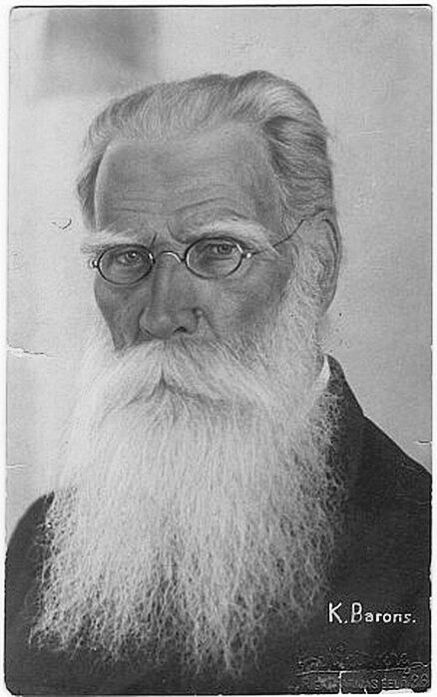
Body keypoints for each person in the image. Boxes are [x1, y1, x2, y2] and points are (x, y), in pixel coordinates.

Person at [5, 71, 430, 695]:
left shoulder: (419, 545)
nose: (161, 315)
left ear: (319, 264)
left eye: (218, 251)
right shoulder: (40, 545)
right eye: (127, 257)